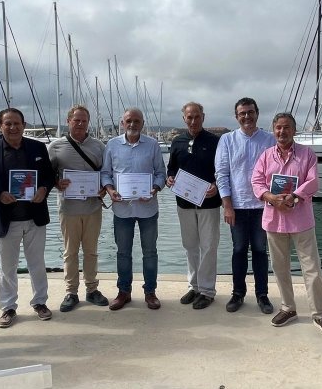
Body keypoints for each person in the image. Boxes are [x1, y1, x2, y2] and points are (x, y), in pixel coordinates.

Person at [251, 112, 322, 337]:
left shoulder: (307, 154)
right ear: (273, 130)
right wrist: (270, 197)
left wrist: (295, 196)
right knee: (280, 268)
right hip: (274, 220)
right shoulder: (266, 156)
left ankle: (320, 314)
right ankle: (288, 308)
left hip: (301, 220)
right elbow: (257, 181)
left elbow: (313, 181)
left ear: (294, 130)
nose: (282, 132)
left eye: (287, 127)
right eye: (278, 128)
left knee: (312, 269)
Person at [0, 108, 56, 328]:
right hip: (5, 218)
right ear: (0, 126)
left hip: (34, 217)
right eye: (8, 124)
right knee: (7, 267)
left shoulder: (37, 147)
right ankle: (8, 307)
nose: (13, 128)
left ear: (24, 125)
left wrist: (43, 189)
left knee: (37, 264)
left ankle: (40, 302)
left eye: (17, 123)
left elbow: (49, 176)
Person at [101, 107, 166, 311]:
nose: (132, 124)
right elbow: (106, 173)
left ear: (142, 124)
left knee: (150, 252)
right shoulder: (111, 145)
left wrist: (155, 189)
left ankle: (150, 292)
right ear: (122, 123)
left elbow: (160, 173)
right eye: (129, 121)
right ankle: (123, 292)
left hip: (148, 209)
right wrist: (110, 190)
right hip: (122, 209)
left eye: (136, 121)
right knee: (123, 253)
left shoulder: (153, 145)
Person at [215, 97, 276, 314]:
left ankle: (262, 295)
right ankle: (238, 294)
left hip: (263, 206)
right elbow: (221, 175)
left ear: (257, 113)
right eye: (242, 113)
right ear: (236, 116)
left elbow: (276, 173)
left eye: (250, 112)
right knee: (239, 250)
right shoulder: (227, 140)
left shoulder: (269, 140)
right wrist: (227, 205)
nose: (247, 117)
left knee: (260, 251)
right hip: (237, 207)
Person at [47, 105, 109, 312]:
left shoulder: (99, 146)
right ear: (68, 121)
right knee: (70, 252)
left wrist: (103, 189)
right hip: (69, 209)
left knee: (91, 252)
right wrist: (56, 183)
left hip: (93, 207)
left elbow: (106, 174)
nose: (80, 124)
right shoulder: (56, 147)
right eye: (77, 120)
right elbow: (48, 175)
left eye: (84, 120)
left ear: (88, 122)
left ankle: (92, 289)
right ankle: (71, 292)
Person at [166, 102, 221, 310]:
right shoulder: (177, 141)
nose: (193, 121)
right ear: (184, 119)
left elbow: (222, 171)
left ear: (203, 117)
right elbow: (171, 168)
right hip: (184, 203)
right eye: (189, 117)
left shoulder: (215, 142)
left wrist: (216, 186)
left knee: (208, 247)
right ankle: (194, 286)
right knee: (190, 246)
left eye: (197, 116)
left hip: (209, 203)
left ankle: (207, 291)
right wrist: (170, 178)